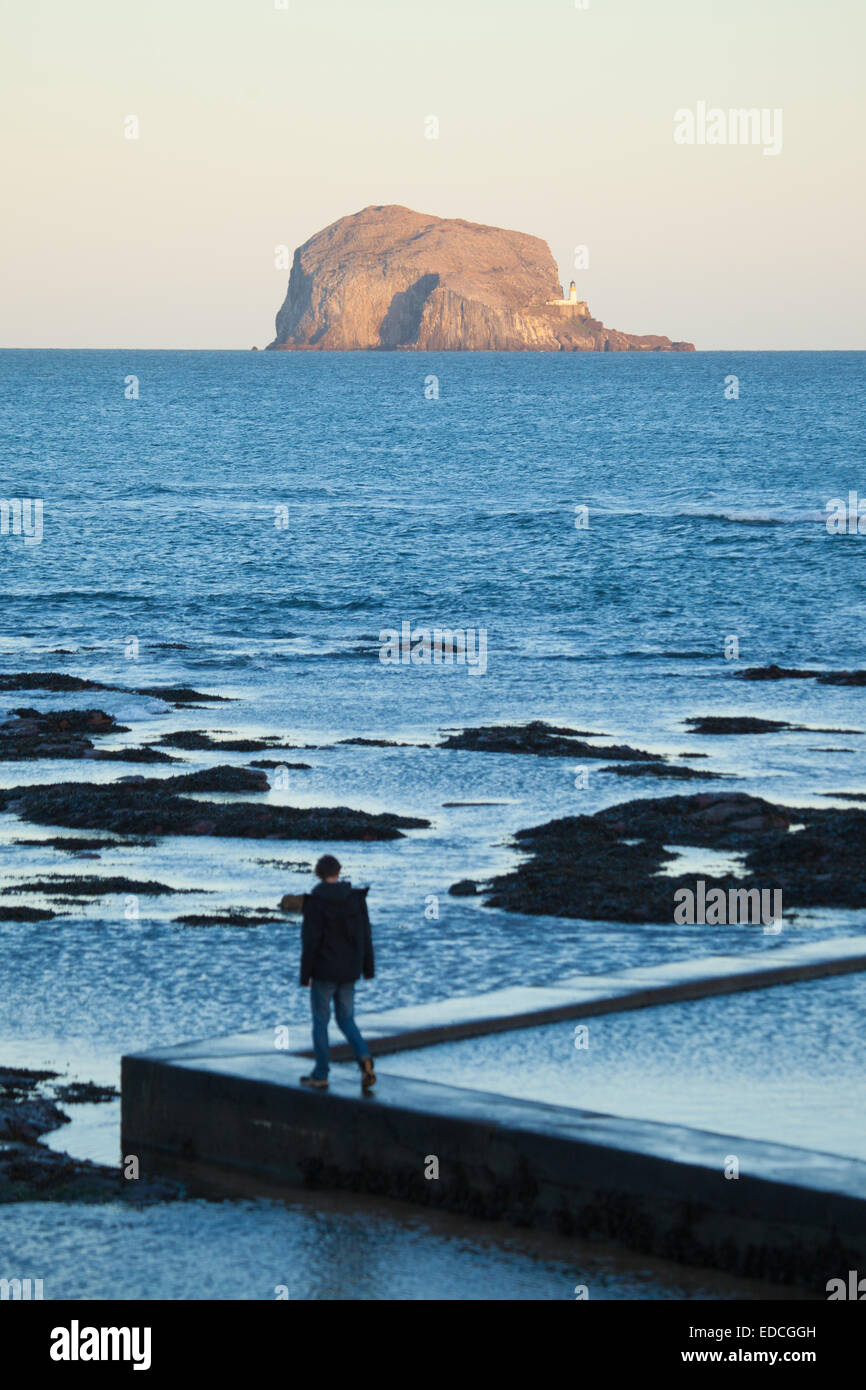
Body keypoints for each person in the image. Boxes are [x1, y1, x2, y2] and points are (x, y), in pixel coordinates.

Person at [299, 853, 376, 1091]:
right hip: (350, 969)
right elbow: (365, 935)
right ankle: (364, 1057)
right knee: (346, 1019)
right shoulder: (355, 899)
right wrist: (367, 968)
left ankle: (321, 1074)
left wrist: (305, 975)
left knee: (321, 1022)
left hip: (324, 970)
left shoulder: (315, 902)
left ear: (319, 874)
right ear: (339, 872)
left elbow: (311, 941)